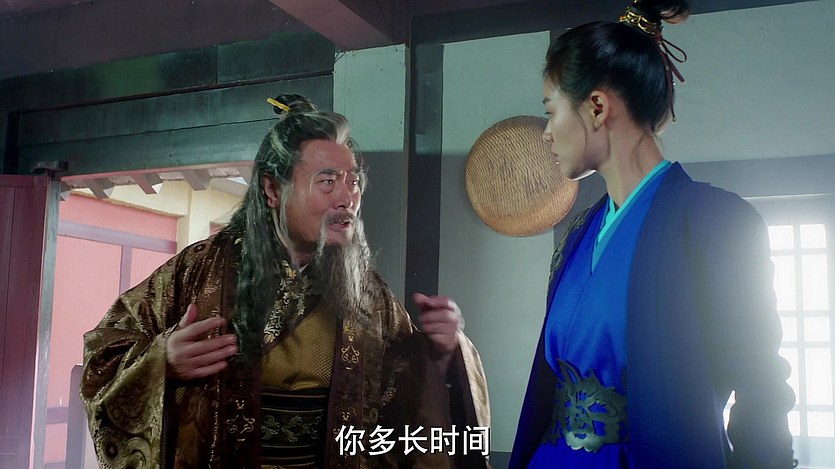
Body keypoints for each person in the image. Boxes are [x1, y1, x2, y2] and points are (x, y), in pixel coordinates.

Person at [81, 94, 490, 469]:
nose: (346, 198)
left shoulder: (366, 292)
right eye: (327, 182)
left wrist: (443, 350)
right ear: (273, 190)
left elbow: (406, 387)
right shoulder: (200, 270)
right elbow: (105, 350)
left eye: (353, 182)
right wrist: (161, 361)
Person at [509, 1, 795, 467]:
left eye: (551, 111)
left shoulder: (714, 222)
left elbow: (761, 386)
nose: (546, 133)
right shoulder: (580, 233)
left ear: (596, 107)